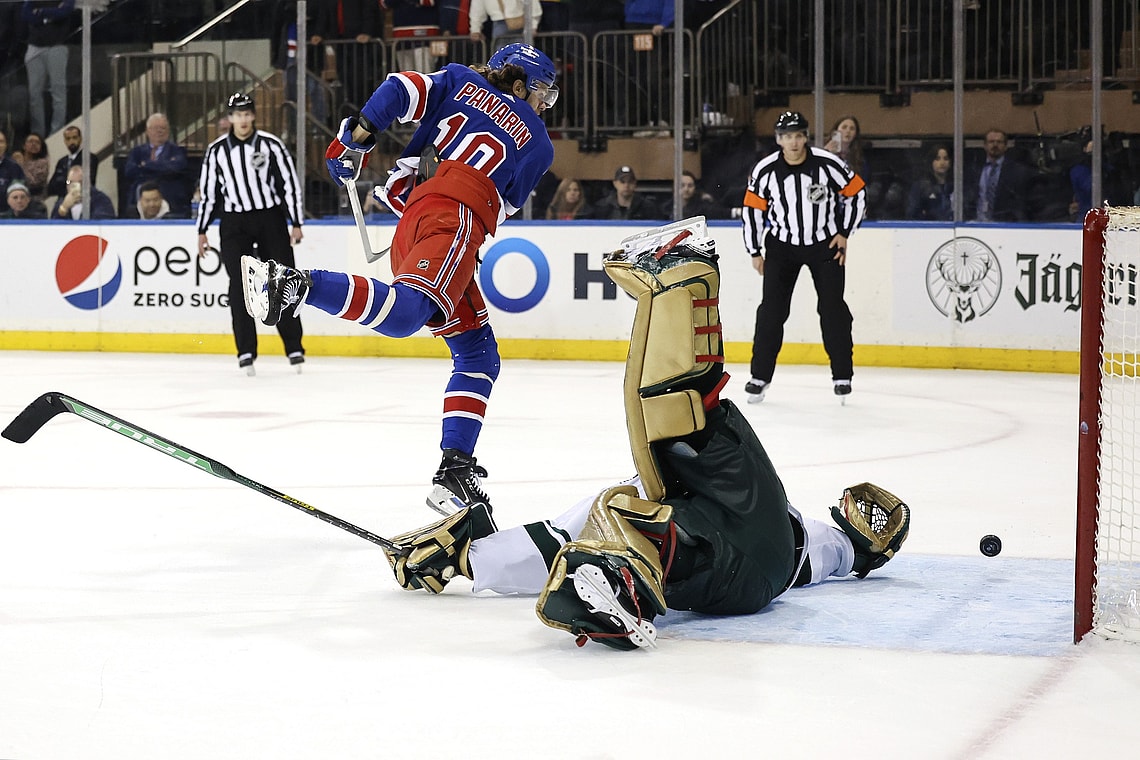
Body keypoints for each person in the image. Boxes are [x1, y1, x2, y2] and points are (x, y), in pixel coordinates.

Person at [377, 219, 911, 650]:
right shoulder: (797, 532)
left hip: (729, 574)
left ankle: (689, 277)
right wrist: (854, 548)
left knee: (646, 470)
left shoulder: (643, 493)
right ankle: (614, 583)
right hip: (754, 565)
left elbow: (553, 542)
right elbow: (825, 548)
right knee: (681, 424)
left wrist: (468, 559)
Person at [241, 43, 558, 518]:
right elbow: (496, 202)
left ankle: (455, 468)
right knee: (406, 314)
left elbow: (398, 88)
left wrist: (357, 137)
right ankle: (295, 285)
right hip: (457, 222)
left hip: (416, 223)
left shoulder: (455, 79)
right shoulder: (540, 144)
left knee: (477, 353)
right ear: (522, 85)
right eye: (543, 95)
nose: (544, 107)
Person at [741, 110, 868, 402]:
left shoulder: (828, 164)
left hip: (825, 245)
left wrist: (845, 232)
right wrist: (754, 250)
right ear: (778, 140)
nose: (793, 142)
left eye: (798, 135)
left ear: (805, 137)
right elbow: (752, 211)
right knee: (772, 311)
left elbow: (857, 193)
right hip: (782, 247)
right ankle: (759, 376)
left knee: (833, 309)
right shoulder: (765, 170)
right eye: (787, 137)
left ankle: (842, 375)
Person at [196, 92, 306, 376]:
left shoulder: (271, 145)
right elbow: (209, 193)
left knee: (285, 279)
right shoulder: (217, 151)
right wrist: (202, 229)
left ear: (253, 115)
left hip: (269, 217)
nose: (243, 120)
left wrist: (296, 221)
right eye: (237, 115)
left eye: (247, 114)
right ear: (229, 118)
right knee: (239, 285)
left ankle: (294, 346)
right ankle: (245, 351)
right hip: (234, 222)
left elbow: (289, 184)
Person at [22, 0, 75, 137]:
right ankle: (37, 134)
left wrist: (41, 12)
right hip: (34, 47)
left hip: (57, 46)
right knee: (34, 94)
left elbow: (65, 11)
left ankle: (57, 132)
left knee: (58, 91)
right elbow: (26, 14)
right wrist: (52, 13)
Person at [123, 113, 191, 217]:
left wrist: (145, 165)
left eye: (163, 128)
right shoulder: (137, 151)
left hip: (167, 192)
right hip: (141, 192)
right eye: (155, 128)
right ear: (147, 131)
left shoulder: (177, 151)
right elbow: (129, 171)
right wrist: (160, 167)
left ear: (168, 131)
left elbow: (175, 169)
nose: (159, 131)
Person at [968, 129, 1031, 222]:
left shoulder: (1017, 171)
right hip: (977, 223)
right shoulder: (975, 169)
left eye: (999, 142)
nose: (995, 145)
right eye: (991, 142)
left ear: (1006, 146)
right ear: (985, 146)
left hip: (1004, 225)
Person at [907, 144, 954, 221]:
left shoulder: (955, 187)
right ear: (931, 161)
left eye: (946, 158)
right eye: (937, 159)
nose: (942, 163)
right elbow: (913, 214)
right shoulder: (921, 187)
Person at [592, 165, 658, 220]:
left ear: (635, 184)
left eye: (630, 182)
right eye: (622, 182)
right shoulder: (602, 207)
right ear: (615, 183)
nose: (626, 185)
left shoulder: (648, 207)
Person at [47, 125, 96, 198]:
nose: (71, 141)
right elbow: (51, 188)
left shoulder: (89, 157)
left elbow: (87, 182)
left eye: (74, 138)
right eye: (68, 139)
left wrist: (65, 181)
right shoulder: (62, 161)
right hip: (63, 200)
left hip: (82, 199)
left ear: (80, 139)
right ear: (65, 141)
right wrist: (69, 182)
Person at [51, 164, 116, 219]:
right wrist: (63, 209)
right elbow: (52, 228)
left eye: (80, 182)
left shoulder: (101, 200)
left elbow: (102, 221)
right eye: (69, 182)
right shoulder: (61, 202)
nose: (73, 186)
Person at [469, 0, 542, 48]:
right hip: (515, 23)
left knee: (502, 61)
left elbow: (477, 10)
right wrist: (533, 25)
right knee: (523, 57)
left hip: (502, 25)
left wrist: (475, 29)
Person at [661, 169, 726, 220]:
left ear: (694, 188)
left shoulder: (703, 208)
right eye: (682, 185)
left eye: (690, 185)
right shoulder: (665, 209)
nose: (686, 189)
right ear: (674, 187)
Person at [0, 128, 26, 216]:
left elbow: (20, 191)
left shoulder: (14, 167)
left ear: (6, 145)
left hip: (6, 214)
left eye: (1, 141)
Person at [17, 132, 49, 201]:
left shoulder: (42, 163)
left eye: (37, 142)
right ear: (24, 145)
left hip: (35, 200)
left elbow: (33, 183)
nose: (34, 144)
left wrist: (21, 165)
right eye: (31, 141)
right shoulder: (15, 160)